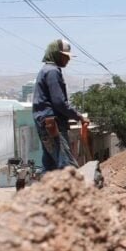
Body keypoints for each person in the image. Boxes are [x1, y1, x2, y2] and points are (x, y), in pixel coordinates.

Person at [32, 39, 88, 173]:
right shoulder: (52, 72)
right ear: (56, 55)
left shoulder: (45, 70)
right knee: (67, 166)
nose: (68, 60)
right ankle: (75, 192)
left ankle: (44, 192)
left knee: (50, 166)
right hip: (52, 124)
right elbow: (59, 102)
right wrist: (79, 116)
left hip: (45, 123)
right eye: (65, 56)